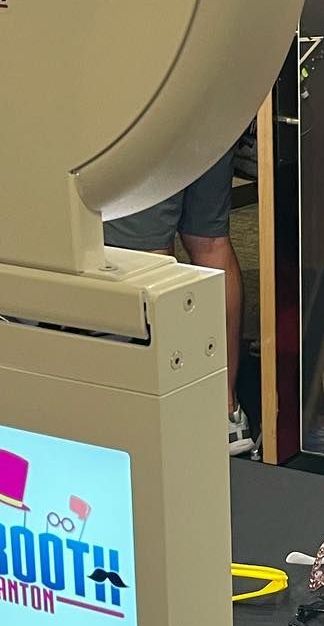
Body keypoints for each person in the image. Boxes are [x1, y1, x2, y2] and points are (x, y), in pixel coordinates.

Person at [104, 155, 252, 453]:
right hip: (211, 124)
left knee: (144, 251)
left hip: (141, 128)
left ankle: (159, 412)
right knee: (210, 241)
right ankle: (225, 411)